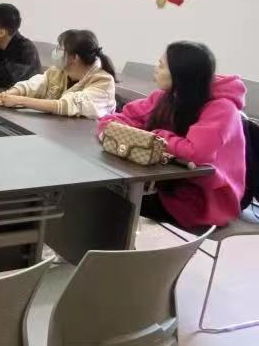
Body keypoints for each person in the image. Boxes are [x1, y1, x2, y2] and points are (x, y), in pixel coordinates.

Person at [98, 42, 246, 229]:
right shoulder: (165, 97)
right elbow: (116, 119)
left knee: (108, 196)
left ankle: (110, 245)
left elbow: (197, 154)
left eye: (161, 66)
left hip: (200, 198)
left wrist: (156, 137)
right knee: (103, 189)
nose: (155, 69)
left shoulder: (222, 108)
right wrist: (121, 131)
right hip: (164, 182)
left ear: (181, 74)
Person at [0, 29, 117, 119]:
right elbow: (36, 84)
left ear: (75, 57)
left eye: (60, 49)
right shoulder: (59, 70)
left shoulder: (103, 81)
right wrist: (10, 94)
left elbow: (64, 106)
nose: (56, 52)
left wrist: (20, 100)